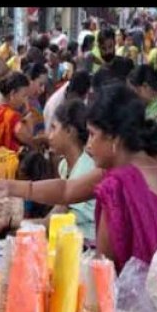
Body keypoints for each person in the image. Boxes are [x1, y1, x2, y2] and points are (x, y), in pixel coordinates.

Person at [0, 84, 157, 272]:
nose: (88, 145)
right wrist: (10, 186)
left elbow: (103, 271)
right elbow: (67, 189)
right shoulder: (153, 169)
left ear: (115, 138)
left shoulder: (117, 185)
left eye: (93, 135)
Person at [47, 100, 96, 239]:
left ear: (69, 131)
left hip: (87, 245)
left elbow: (53, 220)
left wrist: (12, 223)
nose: (49, 135)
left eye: (53, 128)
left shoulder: (87, 168)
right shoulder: (64, 165)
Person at [44, 70, 92, 135]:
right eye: (72, 99)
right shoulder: (54, 105)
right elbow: (49, 135)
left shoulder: (83, 98)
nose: (73, 103)